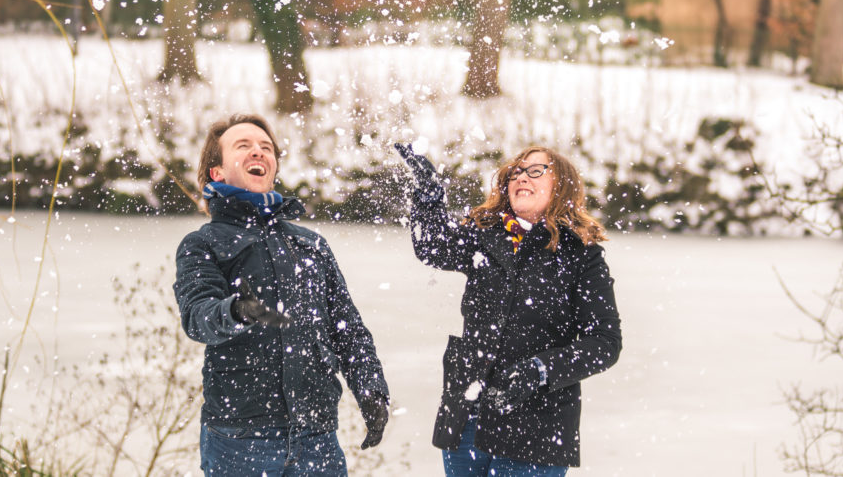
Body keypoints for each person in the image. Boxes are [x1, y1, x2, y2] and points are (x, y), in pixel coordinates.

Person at [174, 114, 390, 477]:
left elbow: (347, 329)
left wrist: (371, 389)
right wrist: (237, 310)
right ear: (218, 172)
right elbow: (199, 318)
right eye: (242, 146)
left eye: (266, 147)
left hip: (317, 436)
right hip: (241, 437)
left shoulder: (310, 244)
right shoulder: (203, 244)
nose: (258, 151)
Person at [395, 142, 622, 475]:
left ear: (562, 186)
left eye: (535, 171)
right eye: (516, 171)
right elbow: (433, 247)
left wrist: (539, 370)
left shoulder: (580, 255)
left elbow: (605, 342)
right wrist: (429, 195)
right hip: (468, 414)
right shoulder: (487, 236)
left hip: (537, 425)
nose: (521, 177)